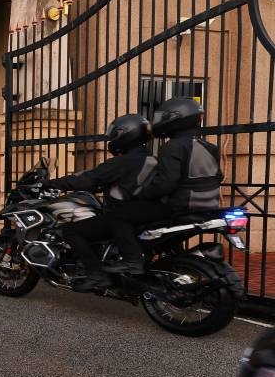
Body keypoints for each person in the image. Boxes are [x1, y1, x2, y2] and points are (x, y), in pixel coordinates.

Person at [105, 97, 223, 274]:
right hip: (208, 206)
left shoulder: (173, 146)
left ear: (175, 118)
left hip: (179, 207)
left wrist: (141, 193)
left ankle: (132, 261)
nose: (158, 122)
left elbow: (166, 183)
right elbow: (218, 177)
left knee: (119, 215)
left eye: (162, 117)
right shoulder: (209, 146)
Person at [45, 114, 157, 291]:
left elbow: (89, 178)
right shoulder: (153, 160)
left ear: (125, 135)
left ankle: (96, 274)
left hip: (122, 215)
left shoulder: (122, 162)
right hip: (145, 215)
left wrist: (52, 183)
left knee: (71, 231)